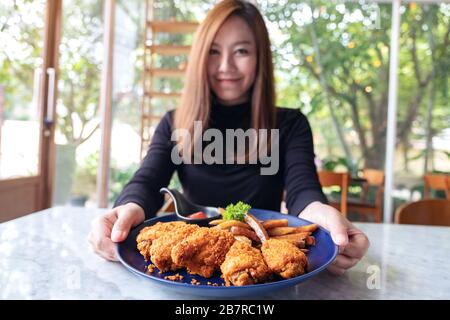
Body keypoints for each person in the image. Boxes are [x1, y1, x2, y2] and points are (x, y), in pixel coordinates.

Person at [88, 0, 369, 276]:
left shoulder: (290, 124)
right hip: (193, 265)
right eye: (213, 51)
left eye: (242, 51)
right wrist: (126, 210)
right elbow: (148, 182)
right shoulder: (175, 123)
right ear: (199, 58)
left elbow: (302, 192)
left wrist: (323, 217)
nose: (226, 66)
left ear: (260, 57)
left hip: (265, 270)